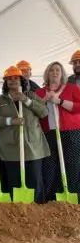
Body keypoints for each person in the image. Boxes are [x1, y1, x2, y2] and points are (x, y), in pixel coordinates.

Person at [0, 66, 49, 204]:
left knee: (34, 181)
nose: (12, 81)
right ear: (6, 82)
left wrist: (25, 100)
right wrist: (11, 121)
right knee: (14, 182)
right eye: (9, 79)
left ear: (21, 80)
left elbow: (44, 112)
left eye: (16, 78)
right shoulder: (1, 100)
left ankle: (37, 211)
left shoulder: (31, 95)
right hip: (10, 149)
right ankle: (17, 214)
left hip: (32, 147)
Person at [35, 61, 80, 202]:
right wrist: (44, 100)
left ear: (62, 74)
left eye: (57, 70)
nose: (54, 72)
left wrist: (59, 101)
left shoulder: (71, 88)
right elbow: (34, 110)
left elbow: (79, 106)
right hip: (47, 133)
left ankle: (72, 194)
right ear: (47, 74)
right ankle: (50, 197)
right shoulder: (39, 92)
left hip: (70, 132)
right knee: (49, 165)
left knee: (72, 164)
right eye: (52, 70)